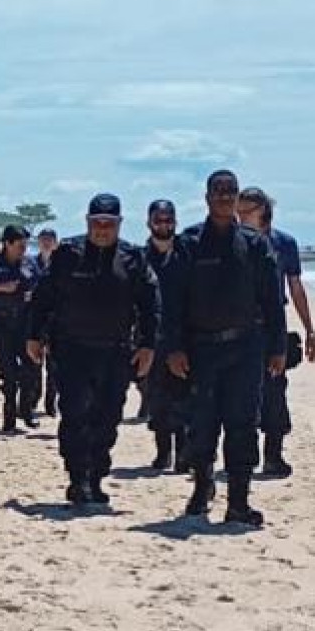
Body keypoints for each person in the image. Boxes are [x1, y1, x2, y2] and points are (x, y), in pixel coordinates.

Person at [159, 168, 287, 527]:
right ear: (207, 197)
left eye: (230, 191)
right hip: (200, 350)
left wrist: (278, 346)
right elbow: (171, 301)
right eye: (218, 191)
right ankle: (202, 488)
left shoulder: (254, 243)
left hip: (245, 348)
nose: (224, 197)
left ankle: (239, 501)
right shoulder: (188, 243)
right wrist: (173, 348)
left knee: (242, 424)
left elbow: (272, 299)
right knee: (201, 424)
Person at [27, 195, 159, 508]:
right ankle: (78, 478)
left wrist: (148, 345)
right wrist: (34, 336)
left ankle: (96, 475)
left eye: (108, 224)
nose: (102, 229)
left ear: (119, 224)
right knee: (75, 414)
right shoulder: (68, 254)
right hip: (71, 349)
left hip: (115, 351)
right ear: (87, 222)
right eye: (96, 222)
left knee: (107, 417)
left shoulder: (133, 258)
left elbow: (151, 305)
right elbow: (43, 298)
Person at [237, 187, 315, 480]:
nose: (240, 217)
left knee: (275, 389)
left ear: (263, 210)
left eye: (246, 211)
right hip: (238, 326)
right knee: (239, 393)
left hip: (272, 325)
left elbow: (295, 287)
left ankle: (273, 455)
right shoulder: (232, 241)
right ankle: (243, 457)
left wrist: (309, 329)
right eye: (238, 211)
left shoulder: (284, 243)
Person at [0, 223, 41, 432]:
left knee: (31, 368)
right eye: (20, 245)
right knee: (8, 372)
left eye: (25, 245)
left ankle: (26, 409)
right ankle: (9, 415)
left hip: (25, 324)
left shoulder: (30, 264)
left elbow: (42, 289)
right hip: (0, 324)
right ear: (7, 243)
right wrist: (1, 287)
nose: (23, 249)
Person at [140, 200, 190, 473]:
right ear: (149, 223)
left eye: (168, 219)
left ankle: (183, 453)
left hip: (185, 337)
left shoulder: (187, 254)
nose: (163, 224)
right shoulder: (140, 258)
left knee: (184, 397)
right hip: (153, 338)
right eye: (158, 220)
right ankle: (163, 453)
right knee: (157, 397)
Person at [27, 228, 62, 414]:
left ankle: (50, 402)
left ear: (56, 242)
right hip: (36, 318)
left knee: (54, 366)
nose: (47, 243)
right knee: (34, 363)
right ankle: (34, 398)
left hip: (56, 321)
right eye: (43, 239)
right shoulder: (30, 263)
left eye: (50, 239)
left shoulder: (62, 264)